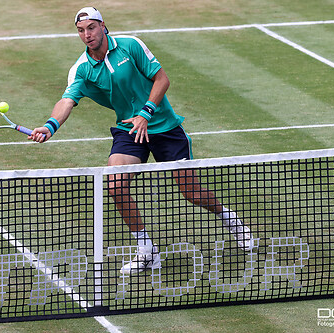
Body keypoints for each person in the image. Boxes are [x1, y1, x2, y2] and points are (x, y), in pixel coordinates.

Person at [29, 6, 253, 275]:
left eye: (91, 28)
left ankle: (232, 220)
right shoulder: (81, 69)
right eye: (80, 31)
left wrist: (146, 113)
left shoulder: (130, 46)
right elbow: (66, 101)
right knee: (115, 184)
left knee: (192, 193)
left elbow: (162, 79)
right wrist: (49, 125)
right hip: (129, 129)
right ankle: (147, 251)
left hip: (163, 126)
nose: (86, 35)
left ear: (103, 26)